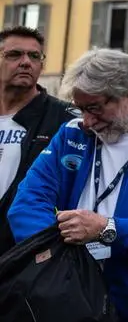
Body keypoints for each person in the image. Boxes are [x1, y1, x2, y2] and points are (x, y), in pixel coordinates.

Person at [7, 48, 128, 322]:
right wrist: (64, 250)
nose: (87, 120)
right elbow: (25, 205)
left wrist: (107, 229)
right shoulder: (71, 134)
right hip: (68, 299)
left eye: (95, 108)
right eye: (81, 109)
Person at [0, 26, 75, 254]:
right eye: (14, 55)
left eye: (34, 56)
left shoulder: (66, 119)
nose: (26, 62)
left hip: (30, 253)